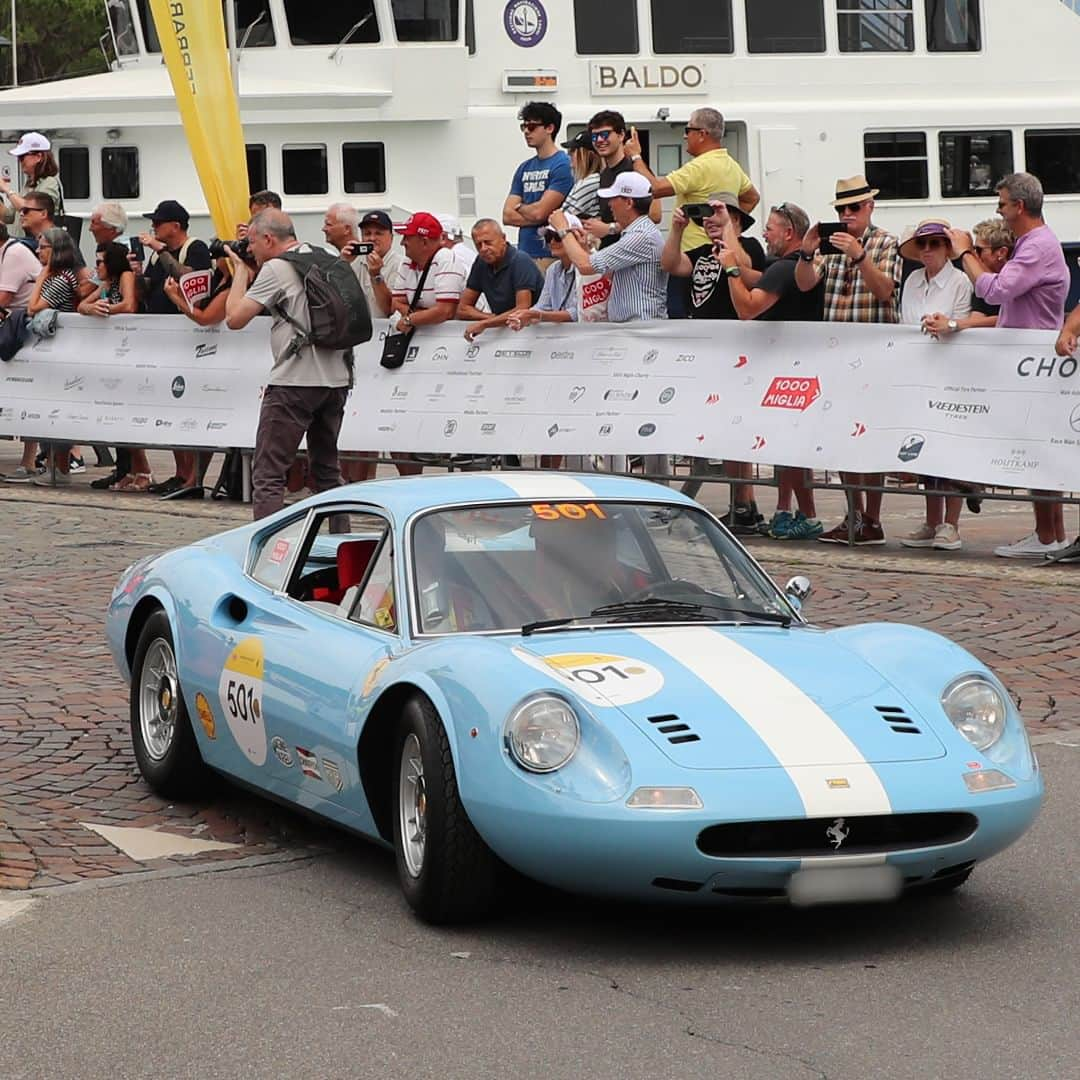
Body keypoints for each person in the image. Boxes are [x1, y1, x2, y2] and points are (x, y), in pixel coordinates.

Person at [950, 172, 1070, 558]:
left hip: (1031, 361)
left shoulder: (1037, 246)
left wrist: (965, 254)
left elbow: (997, 290)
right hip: (1024, 358)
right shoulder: (1034, 243)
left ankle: (1048, 536)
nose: (998, 211)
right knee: (1034, 450)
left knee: (1036, 451)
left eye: (1001, 204)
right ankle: (1050, 534)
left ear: (1019, 206)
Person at [796, 174, 902, 546]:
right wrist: (808, 252)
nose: (847, 214)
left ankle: (871, 518)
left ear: (870, 207)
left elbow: (886, 291)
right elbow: (806, 283)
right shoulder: (831, 245)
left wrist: (859, 255)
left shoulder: (886, 243)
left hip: (874, 354)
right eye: (841, 208)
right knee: (843, 438)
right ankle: (854, 514)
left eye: (854, 207)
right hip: (838, 355)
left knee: (869, 439)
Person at [225, 208, 351, 520]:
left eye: (252, 242)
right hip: (336, 380)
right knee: (327, 473)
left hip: (293, 382)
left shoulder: (278, 269)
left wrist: (240, 271)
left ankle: (267, 554)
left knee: (269, 474)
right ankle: (343, 546)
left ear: (269, 238)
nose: (250, 249)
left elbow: (234, 319)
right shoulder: (326, 256)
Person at [720, 201, 827, 540]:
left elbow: (748, 308)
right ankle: (790, 510)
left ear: (789, 232)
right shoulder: (782, 268)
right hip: (793, 365)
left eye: (770, 227)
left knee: (790, 443)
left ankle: (806, 514)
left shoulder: (786, 268)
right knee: (786, 443)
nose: (764, 233)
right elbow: (756, 273)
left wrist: (732, 273)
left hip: (791, 368)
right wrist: (725, 226)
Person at [662, 193, 766, 528]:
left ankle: (745, 501)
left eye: (717, 215)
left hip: (736, 347)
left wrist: (726, 227)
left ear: (735, 219)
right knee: (720, 427)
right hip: (706, 348)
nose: (709, 221)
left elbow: (747, 267)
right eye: (704, 216)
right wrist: (677, 230)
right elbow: (671, 264)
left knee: (737, 424)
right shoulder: (701, 252)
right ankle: (738, 502)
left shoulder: (747, 245)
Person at [626, 107, 758, 317]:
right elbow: (752, 197)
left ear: (702, 134)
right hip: (722, 257)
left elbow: (656, 189)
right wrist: (730, 225)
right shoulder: (731, 165)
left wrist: (635, 157)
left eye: (688, 130)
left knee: (683, 318)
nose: (685, 136)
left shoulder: (699, 167)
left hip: (691, 258)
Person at [895, 220, 974, 552]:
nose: (928, 249)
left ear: (946, 248)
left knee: (950, 447)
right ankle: (931, 520)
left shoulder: (959, 281)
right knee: (923, 448)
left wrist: (945, 326)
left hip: (951, 372)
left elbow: (963, 322)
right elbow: (904, 322)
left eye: (935, 243)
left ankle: (951, 524)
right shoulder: (912, 279)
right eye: (923, 244)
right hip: (918, 372)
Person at [132, 199, 213, 497]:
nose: (153, 227)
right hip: (162, 339)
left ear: (175, 226)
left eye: (158, 222)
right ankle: (180, 473)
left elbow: (190, 278)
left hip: (189, 339)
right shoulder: (157, 255)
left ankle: (193, 476)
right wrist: (136, 273)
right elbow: (150, 289)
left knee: (189, 404)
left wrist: (161, 250)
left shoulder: (195, 247)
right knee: (172, 406)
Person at [79, 242, 155, 492]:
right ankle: (130, 470)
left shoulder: (125, 276)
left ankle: (143, 469)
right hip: (113, 356)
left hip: (132, 351)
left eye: (100, 262)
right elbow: (81, 304)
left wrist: (106, 310)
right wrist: (91, 307)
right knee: (119, 419)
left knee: (130, 416)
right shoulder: (106, 283)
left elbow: (130, 305)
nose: (96, 267)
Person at [549, 172, 666, 322]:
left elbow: (586, 266)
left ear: (629, 203)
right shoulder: (636, 233)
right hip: (634, 328)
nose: (609, 204)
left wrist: (563, 230)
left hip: (640, 326)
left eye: (613, 198)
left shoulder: (641, 235)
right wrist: (585, 250)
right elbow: (604, 272)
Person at [464, 213, 583, 340]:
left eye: (558, 236)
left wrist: (534, 315)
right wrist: (526, 315)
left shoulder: (521, 260)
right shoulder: (553, 270)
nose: (552, 242)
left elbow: (577, 313)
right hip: (557, 337)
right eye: (548, 237)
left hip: (582, 338)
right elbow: (541, 307)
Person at [26, 229, 83, 487]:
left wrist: (43, 274)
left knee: (59, 412)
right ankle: (52, 465)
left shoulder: (60, 278)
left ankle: (61, 467)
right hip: (51, 354)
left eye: (44, 247)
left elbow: (33, 307)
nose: (39, 252)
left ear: (56, 251)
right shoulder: (57, 276)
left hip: (62, 354)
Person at [502, 101, 573, 265]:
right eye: (524, 127)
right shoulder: (524, 167)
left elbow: (540, 212)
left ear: (550, 128)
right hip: (524, 252)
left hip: (550, 254)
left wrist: (521, 208)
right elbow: (507, 216)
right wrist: (537, 214)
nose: (526, 131)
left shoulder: (563, 164)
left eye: (532, 127)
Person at [580, 110, 661, 249]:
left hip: (632, 252)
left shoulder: (635, 168)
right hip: (610, 254)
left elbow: (655, 215)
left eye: (605, 134)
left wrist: (610, 228)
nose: (599, 140)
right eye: (595, 136)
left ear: (621, 135)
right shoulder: (604, 173)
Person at [921, 218, 1012, 337]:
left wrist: (952, 324)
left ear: (1001, 253)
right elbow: (976, 319)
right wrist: (939, 323)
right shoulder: (982, 280)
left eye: (978, 250)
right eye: (973, 249)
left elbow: (1010, 317)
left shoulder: (1015, 276)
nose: (974, 254)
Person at [457, 219, 544, 322]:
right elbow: (462, 309)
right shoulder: (481, 262)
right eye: (478, 245)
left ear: (503, 239)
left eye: (488, 242)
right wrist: (490, 319)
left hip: (534, 329)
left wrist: (486, 323)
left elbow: (522, 309)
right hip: (504, 326)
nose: (483, 249)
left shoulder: (520, 260)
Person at [0, 133, 63, 231]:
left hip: (39, 244)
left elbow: (29, 210)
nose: (19, 161)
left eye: (22, 157)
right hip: (25, 243)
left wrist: (6, 189)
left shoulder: (50, 183)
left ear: (38, 157)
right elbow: (8, 217)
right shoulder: (28, 185)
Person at [560, 130, 602, 222]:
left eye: (573, 151)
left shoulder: (591, 182)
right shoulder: (590, 180)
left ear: (586, 155)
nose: (569, 154)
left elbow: (562, 217)